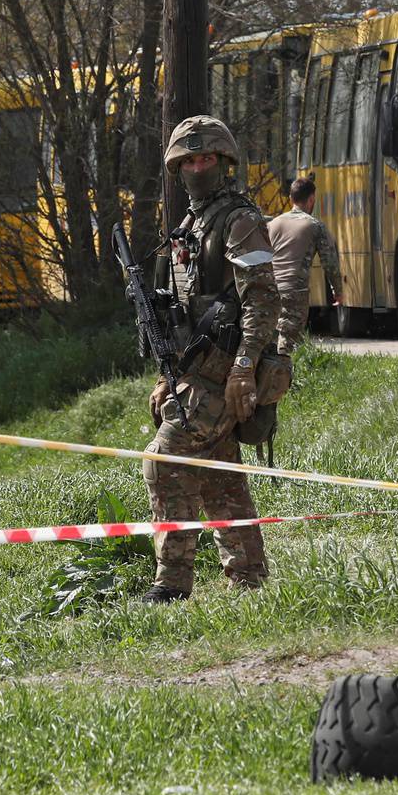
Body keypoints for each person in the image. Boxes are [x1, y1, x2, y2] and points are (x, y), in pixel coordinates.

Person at [142, 116, 281, 603]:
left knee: (165, 459)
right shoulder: (189, 225)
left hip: (226, 372)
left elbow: (263, 299)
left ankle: (172, 583)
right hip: (194, 374)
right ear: (179, 168)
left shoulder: (240, 222)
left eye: (206, 159)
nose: (198, 167)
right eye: (190, 160)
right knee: (220, 475)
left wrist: (244, 367)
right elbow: (180, 312)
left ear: (224, 164)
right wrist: (168, 378)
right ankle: (249, 578)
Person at [267, 175, 342, 353]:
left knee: (270, 340)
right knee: (290, 343)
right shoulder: (315, 226)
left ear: (291, 199)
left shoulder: (273, 224)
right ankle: (287, 377)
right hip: (295, 290)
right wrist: (337, 291)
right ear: (311, 199)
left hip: (270, 289)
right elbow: (330, 262)